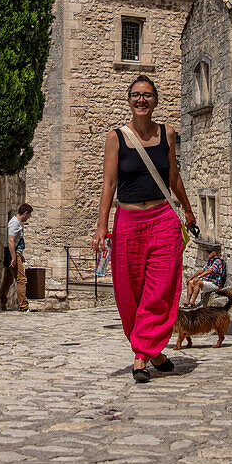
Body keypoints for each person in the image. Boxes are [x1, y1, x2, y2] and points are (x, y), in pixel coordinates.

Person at [91, 74, 197, 383]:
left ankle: (140, 357)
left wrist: (188, 211)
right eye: (136, 95)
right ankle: (156, 352)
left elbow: (174, 177)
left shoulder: (168, 134)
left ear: (155, 101)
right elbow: (109, 183)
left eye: (147, 95)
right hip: (128, 223)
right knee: (130, 292)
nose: (142, 100)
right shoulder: (116, 138)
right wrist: (101, 226)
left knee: (159, 289)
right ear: (129, 100)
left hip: (163, 219)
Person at [0, 203, 33, 312]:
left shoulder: (16, 223)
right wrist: (14, 257)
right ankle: (24, 306)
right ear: (25, 213)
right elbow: (11, 240)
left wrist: (20, 254)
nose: (29, 218)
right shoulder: (15, 223)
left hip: (14, 253)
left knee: (8, 279)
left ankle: (2, 303)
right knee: (21, 279)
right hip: (12, 253)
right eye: (29, 215)